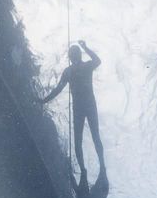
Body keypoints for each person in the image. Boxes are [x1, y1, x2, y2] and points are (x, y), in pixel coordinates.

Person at [40, 40, 107, 176]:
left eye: (73, 55)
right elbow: (58, 89)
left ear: (75, 56)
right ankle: (89, 169)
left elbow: (98, 61)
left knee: (87, 139)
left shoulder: (75, 69)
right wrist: (44, 100)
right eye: (72, 55)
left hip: (84, 106)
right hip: (84, 106)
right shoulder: (72, 70)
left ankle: (96, 168)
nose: (73, 57)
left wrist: (85, 47)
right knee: (84, 139)